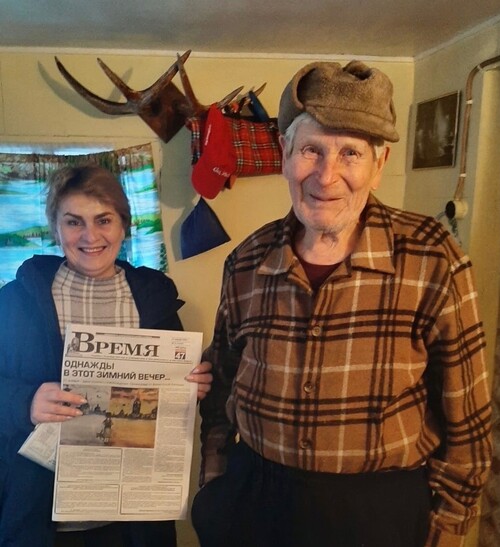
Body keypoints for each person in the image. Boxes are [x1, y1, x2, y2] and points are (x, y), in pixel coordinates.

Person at [191, 61, 492, 547]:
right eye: (311, 149)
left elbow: (468, 424)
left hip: (380, 514)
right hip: (255, 501)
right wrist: (214, 484)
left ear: (379, 164)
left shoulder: (434, 258)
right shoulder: (245, 261)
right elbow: (223, 381)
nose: (326, 176)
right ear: (286, 153)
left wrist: (446, 531)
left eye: (350, 153)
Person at [0, 165, 212, 547]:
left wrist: (192, 386)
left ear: (123, 225)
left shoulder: (155, 299)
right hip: (39, 514)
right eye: (73, 222)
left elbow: (173, 395)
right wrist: (25, 401)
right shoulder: (16, 301)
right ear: (56, 228)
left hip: (133, 519)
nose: (90, 236)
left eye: (103, 220)